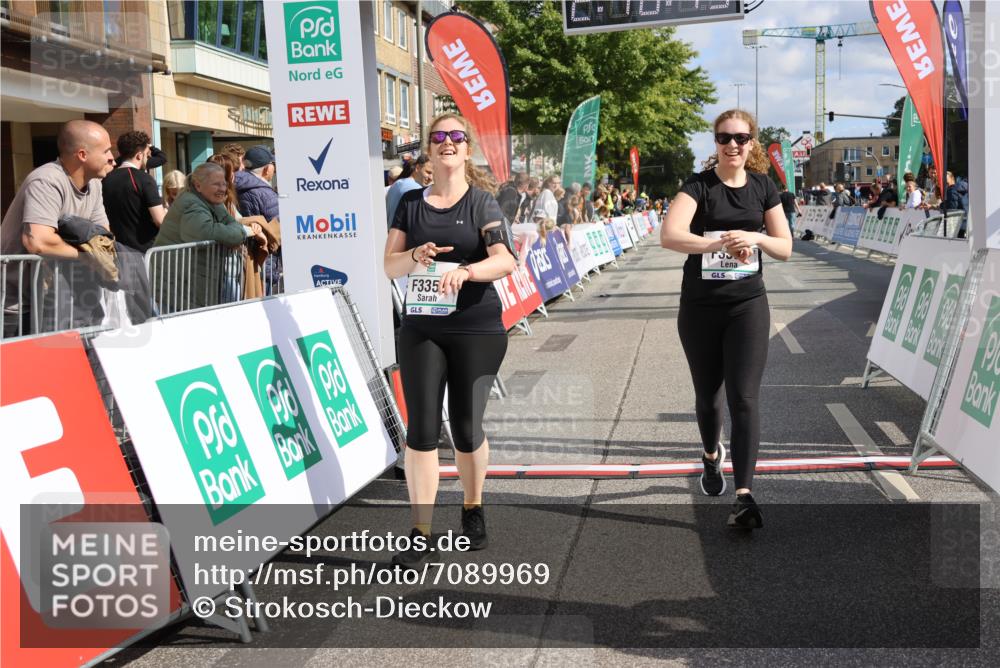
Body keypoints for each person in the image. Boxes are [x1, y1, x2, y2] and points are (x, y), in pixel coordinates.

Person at [383, 113, 517, 569]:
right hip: (422, 327)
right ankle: (420, 531)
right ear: (429, 149)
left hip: (476, 327)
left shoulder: (482, 203)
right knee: (420, 430)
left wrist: (468, 271)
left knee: (465, 427)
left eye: (456, 137)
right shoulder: (410, 205)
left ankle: (473, 506)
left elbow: (505, 260)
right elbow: (390, 266)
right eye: (438, 137)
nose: (447, 143)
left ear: (466, 150)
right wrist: (414, 255)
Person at [660, 109, 792, 529]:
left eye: (741, 138)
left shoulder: (762, 187)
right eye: (724, 138)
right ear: (714, 143)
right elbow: (670, 235)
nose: (732, 145)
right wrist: (716, 242)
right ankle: (710, 455)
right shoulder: (699, 186)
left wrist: (754, 237)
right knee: (709, 397)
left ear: (752, 142)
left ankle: (745, 495)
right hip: (700, 307)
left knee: (744, 397)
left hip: (747, 306)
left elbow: (785, 247)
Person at [1, 119, 116, 327]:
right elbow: (38, 241)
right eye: (106, 151)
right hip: (14, 304)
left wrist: (95, 252)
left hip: (52, 300)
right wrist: (86, 256)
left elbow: (102, 237)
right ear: (82, 155)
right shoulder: (46, 181)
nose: (112, 159)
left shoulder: (96, 185)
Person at [154, 162, 266, 308]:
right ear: (198, 185)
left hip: (190, 280)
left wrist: (236, 229)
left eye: (224, 184)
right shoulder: (192, 204)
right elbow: (208, 231)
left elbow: (229, 221)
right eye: (216, 184)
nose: (223, 189)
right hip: (178, 284)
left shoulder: (209, 200)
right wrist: (242, 232)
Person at [102, 130, 166, 253]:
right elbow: (160, 220)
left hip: (114, 249)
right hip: (144, 251)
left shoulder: (105, 178)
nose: (148, 157)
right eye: (147, 154)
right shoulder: (144, 179)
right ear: (139, 155)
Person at [234, 145, 279, 221]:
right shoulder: (267, 195)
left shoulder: (233, 184)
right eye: (273, 164)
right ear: (266, 169)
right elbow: (280, 227)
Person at [386, 154, 432, 225]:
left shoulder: (397, 183)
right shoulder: (417, 190)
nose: (431, 178)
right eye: (428, 172)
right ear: (417, 168)